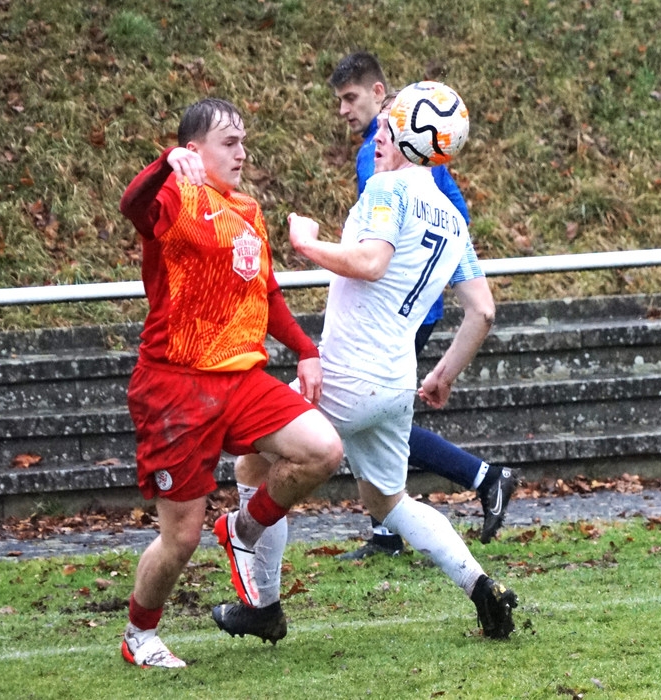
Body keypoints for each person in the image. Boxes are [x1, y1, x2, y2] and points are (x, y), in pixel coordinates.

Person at [213, 90, 517, 642]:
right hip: (396, 382)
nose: (377, 136)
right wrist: (444, 374)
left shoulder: (387, 189)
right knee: (388, 502)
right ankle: (481, 588)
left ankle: (262, 604)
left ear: (410, 137)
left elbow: (372, 263)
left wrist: (307, 243)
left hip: (348, 376)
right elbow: (483, 310)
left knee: (253, 464)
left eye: (387, 127)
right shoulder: (453, 219)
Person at [116, 97, 344, 668]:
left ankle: (243, 528)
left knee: (323, 450)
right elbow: (132, 206)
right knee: (180, 538)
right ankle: (139, 635)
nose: (242, 152)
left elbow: (265, 293)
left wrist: (305, 349)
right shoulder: (174, 194)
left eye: (244, 141)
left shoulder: (247, 209)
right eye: (229, 142)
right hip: (175, 387)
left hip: (241, 378)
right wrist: (164, 164)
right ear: (194, 151)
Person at [329, 51, 516, 557]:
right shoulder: (423, 157)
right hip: (422, 293)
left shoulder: (384, 161)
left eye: (351, 98)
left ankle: (478, 480)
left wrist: (309, 245)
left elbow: (377, 250)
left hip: (396, 305)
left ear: (380, 94)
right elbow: (458, 225)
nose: (344, 110)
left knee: (372, 414)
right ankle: (398, 526)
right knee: (383, 412)